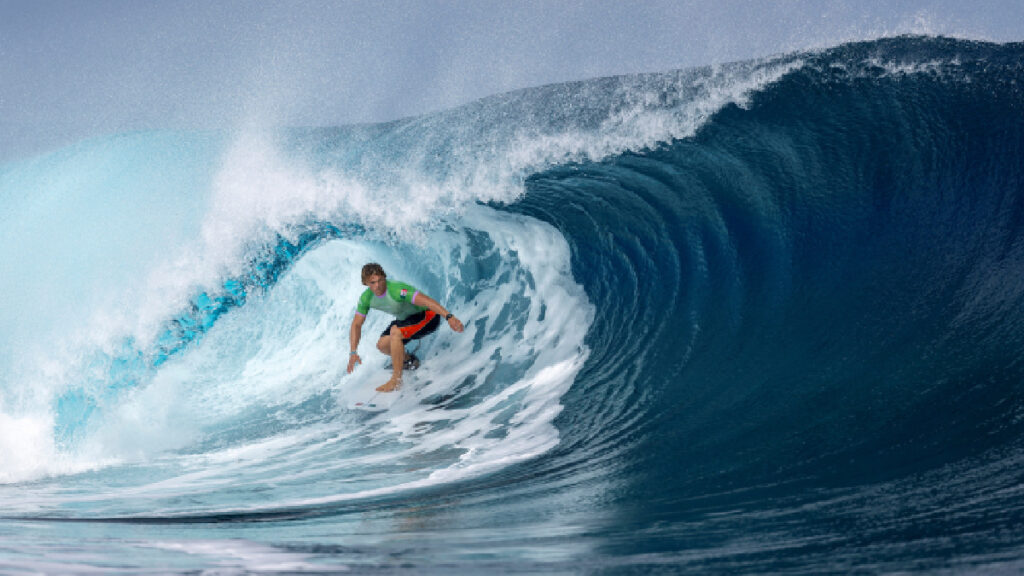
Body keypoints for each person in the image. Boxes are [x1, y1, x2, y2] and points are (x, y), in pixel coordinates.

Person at [347, 263, 464, 392]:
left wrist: (449, 317)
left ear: (384, 277)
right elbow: (356, 324)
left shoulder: (397, 290)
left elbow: (426, 301)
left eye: (380, 280)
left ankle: (396, 380)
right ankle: (409, 361)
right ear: (366, 283)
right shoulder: (366, 298)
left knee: (395, 332)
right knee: (382, 345)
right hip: (406, 320)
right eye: (373, 282)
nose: (378, 285)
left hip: (428, 317)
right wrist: (353, 352)